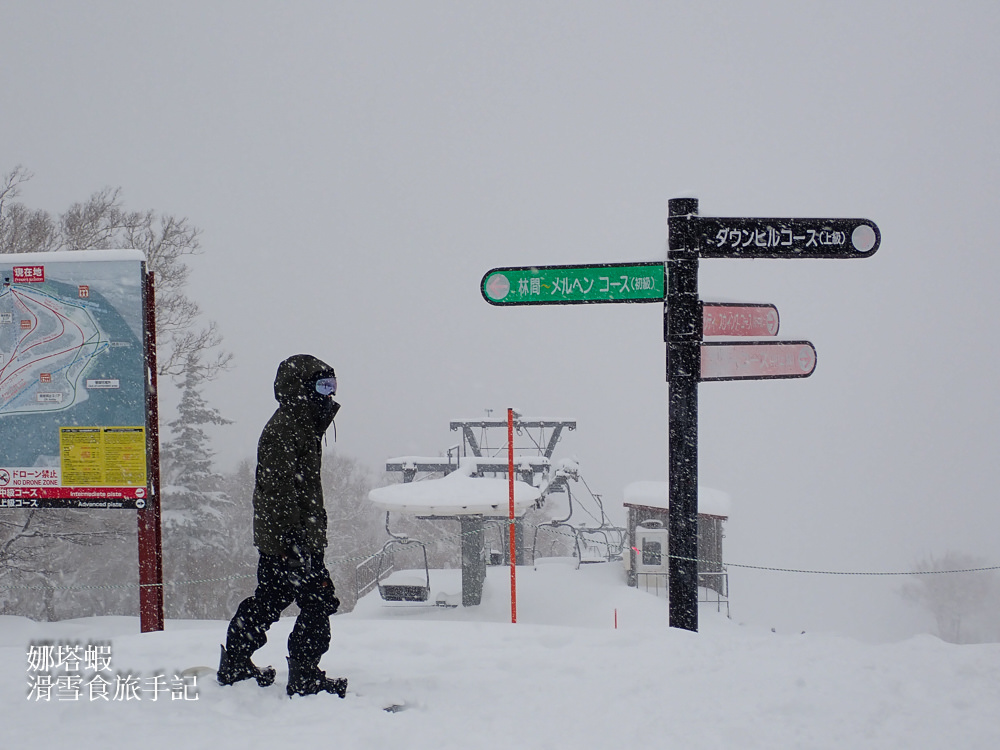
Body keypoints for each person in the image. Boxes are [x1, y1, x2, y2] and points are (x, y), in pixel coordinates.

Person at [217, 354, 347, 698]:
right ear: (300, 389)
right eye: (321, 385)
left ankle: (236, 663)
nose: (328, 394)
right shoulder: (286, 429)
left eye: (332, 385)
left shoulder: (301, 425)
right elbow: (276, 490)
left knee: (271, 597)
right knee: (317, 601)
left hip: (288, 537)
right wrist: (293, 541)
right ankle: (305, 676)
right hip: (291, 539)